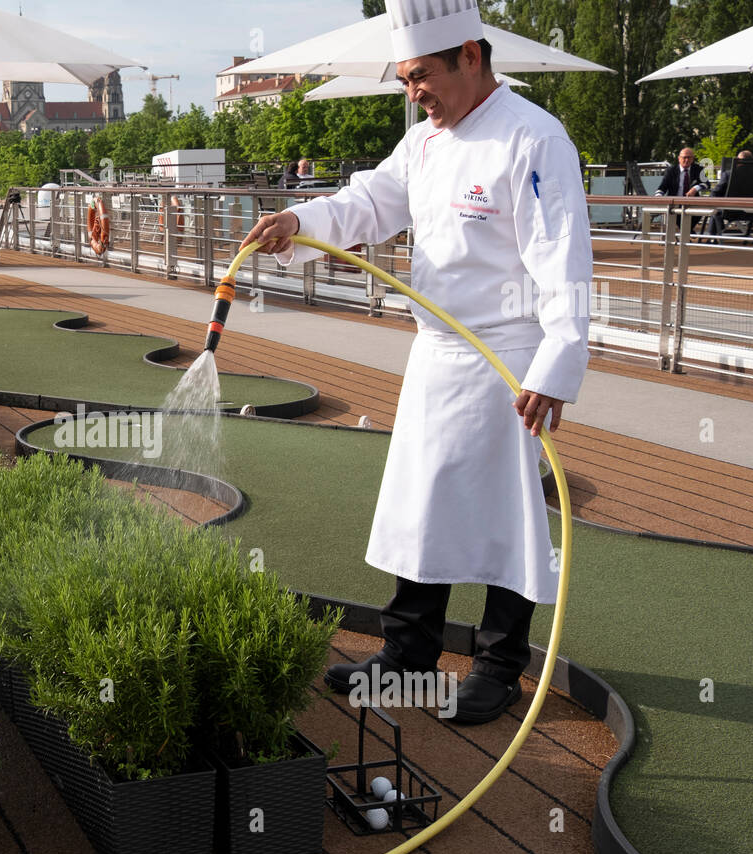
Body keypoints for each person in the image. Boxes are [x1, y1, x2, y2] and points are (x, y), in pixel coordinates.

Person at [240, 0, 592, 724]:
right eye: (404, 79)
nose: (413, 93)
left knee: (507, 514)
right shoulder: (426, 142)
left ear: (470, 54)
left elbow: (564, 259)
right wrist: (298, 222)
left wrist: (557, 361)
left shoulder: (534, 138)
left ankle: (499, 665)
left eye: (421, 76)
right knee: (421, 502)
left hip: (506, 355)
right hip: (435, 352)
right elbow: (368, 202)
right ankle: (408, 653)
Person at [706, 150, 753, 238]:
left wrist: (710, 198)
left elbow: (716, 191)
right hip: (750, 212)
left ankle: (712, 236)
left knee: (715, 210)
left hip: (729, 211)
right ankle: (717, 231)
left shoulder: (729, 174)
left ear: (738, 161)